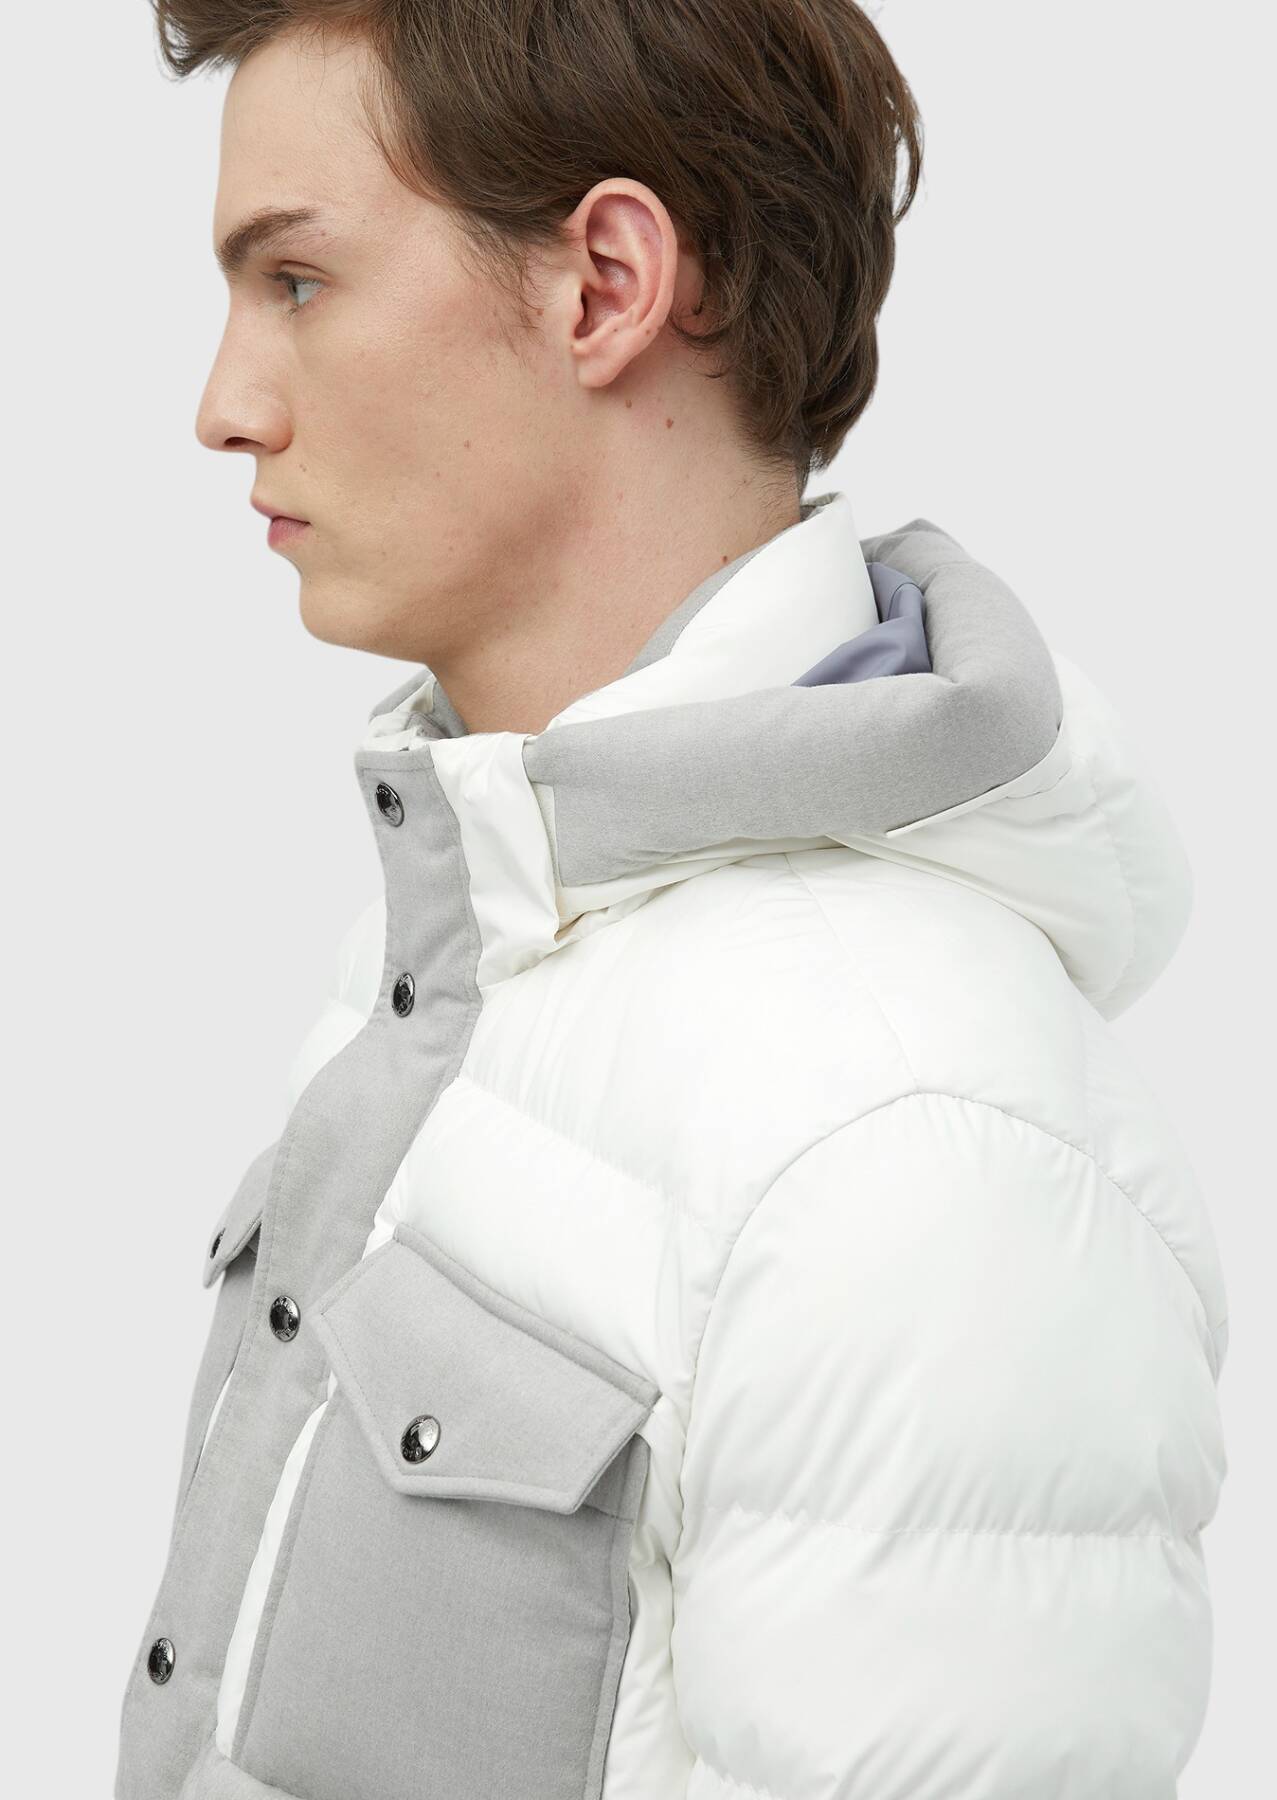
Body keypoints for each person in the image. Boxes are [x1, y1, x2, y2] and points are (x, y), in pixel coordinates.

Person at [116, 5, 1228, 1797]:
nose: (223, 406)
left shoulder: (908, 1134)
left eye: (298, 281)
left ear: (606, 286)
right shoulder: (472, 942)